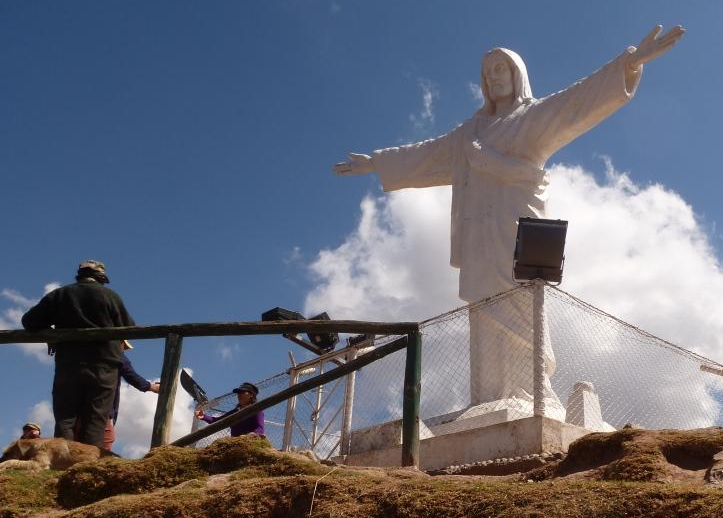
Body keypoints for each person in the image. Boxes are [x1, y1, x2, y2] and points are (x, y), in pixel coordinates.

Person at [333, 25, 684, 412]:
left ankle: (530, 393)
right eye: (488, 72)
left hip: (514, 231)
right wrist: (379, 162)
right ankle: (486, 400)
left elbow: (577, 102)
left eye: (501, 68)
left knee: (521, 308)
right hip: (477, 239)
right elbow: (428, 154)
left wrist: (627, 64)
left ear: (517, 74)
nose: (494, 76)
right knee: (483, 313)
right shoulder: (470, 133)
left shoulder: (531, 118)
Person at [21, 260, 135, 449]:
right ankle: (86, 467)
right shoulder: (110, 296)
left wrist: (51, 334)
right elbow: (129, 329)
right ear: (101, 278)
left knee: (66, 419)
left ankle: (60, 465)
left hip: (68, 364)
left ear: (79, 275)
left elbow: (29, 321)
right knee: (96, 421)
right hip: (104, 367)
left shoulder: (59, 295)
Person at [101, 341, 160, 454]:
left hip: (81, 407)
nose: (124, 350)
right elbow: (130, 374)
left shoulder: (90, 355)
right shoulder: (116, 354)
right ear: (121, 343)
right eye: (124, 347)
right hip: (103, 408)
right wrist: (152, 387)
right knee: (105, 442)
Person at [195, 382, 265, 437]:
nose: (239, 395)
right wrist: (203, 416)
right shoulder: (235, 412)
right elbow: (217, 421)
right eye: (238, 393)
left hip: (250, 444)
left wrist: (251, 436)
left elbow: (260, 429)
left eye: (243, 392)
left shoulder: (256, 410)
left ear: (251, 395)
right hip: (235, 445)